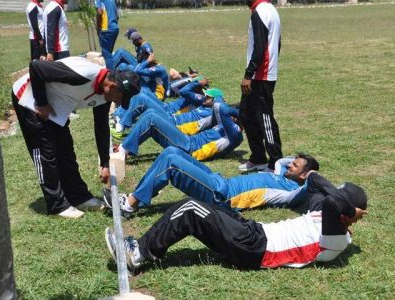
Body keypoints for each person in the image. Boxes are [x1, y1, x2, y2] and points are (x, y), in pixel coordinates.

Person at [105, 172, 368, 273]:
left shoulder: (337, 241)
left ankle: (137, 253)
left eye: (340, 200)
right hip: (255, 233)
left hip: (256, 248)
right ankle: (140, 250)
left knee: (189, 209)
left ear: (348, 213)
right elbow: (312, 180)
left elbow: (333, 204)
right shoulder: (326, 214)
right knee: (205, 206)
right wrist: (340, 199)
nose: (331, 199)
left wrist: (349, 209)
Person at [11, 56, 140, 219]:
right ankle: (57, 206)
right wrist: (41, 102)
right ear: (112, 86)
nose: (120, 103)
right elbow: (36, 67)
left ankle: (79, 197)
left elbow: (101, 127)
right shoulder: (82, 74)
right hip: (29, 97)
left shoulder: (105, 94)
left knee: (66, 150)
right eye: (121, 98)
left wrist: (105, 163)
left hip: (56, 102)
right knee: (46, 152)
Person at [103, 147, 318, 218]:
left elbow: (308, 190)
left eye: (296, 166)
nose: (290, 165)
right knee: (172, 151)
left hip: (222, 196)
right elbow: (281, 160)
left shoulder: (290, 191)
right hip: (219, 181)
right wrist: (299, 162)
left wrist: (311, 176)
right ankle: (138, 194)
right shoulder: (281, 173)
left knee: (171, 162)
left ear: (303, 176)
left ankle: (129, 205)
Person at [238, 0, 283, 173]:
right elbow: (277, 44)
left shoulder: (261, 11)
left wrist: (249, 74)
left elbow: (260, 47)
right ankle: (258, 158)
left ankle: (275, 162)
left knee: (265, 118)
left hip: (260, 75)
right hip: (262, 73)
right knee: (246, 113)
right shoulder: (269, 9)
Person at [116, 102, 243, 162]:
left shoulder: (235, 135)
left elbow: (219, 107)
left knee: (151, 118)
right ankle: (126, 147)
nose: (230, 118)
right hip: (188, 142)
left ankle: (123, 150)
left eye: (233, 116)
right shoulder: (226, 128)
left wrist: (240, 114)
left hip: (190, 150)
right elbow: (218, 108)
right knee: (151, 113)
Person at [95, 0, 119, 70]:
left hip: (106, 29)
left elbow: (99, 12)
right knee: (109, 54)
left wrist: (98, 27)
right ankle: (113, 71)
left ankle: (111, 76)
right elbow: (117, 16)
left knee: (107, 55)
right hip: (115, 28)